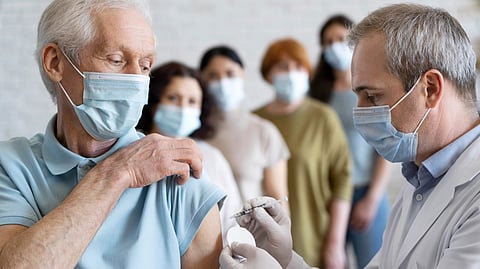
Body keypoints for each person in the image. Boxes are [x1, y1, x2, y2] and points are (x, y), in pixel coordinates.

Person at [0, 1, 226, 268]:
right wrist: (116, 173)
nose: (135, 80)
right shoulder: (11, 166)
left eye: (144, 66)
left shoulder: (176, 174)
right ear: (55, 62)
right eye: (116, 60)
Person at [349, 3, 480, 268]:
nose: (359, 112)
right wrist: (286, 260)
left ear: (430, 88)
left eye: (372, 96)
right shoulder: (419, 177)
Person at [254, 38, 352, 268]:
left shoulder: (323, 117)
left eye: (298, 67)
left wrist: (335, 243)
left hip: (314, 236)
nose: (291, 74)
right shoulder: (255, 122)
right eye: (283, 67)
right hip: (264, 242)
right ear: (268, 74)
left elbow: (342, 180)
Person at [309, 14, 391, 268]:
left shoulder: (372, 90)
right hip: (328, 195)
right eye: (328, 41)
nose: (335, 45)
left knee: (375, 261)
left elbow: (385, 148)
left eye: (341, 39)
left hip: (366, 190)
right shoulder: (316, 95)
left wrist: (372, 198)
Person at [136, 61, 242, 239]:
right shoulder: (133, 152)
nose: (183, 108)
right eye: (173, 98)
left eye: (192, 101)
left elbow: (232, 219)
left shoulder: (212, 158)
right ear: (153, 103)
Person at [199, 45, 290, 204]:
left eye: (230, 74)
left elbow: (279, 199)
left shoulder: (263, 132)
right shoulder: (193, 132)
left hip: (251, 227)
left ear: (242, 75)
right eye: (213, 76)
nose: (223, 82)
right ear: (202, 80)